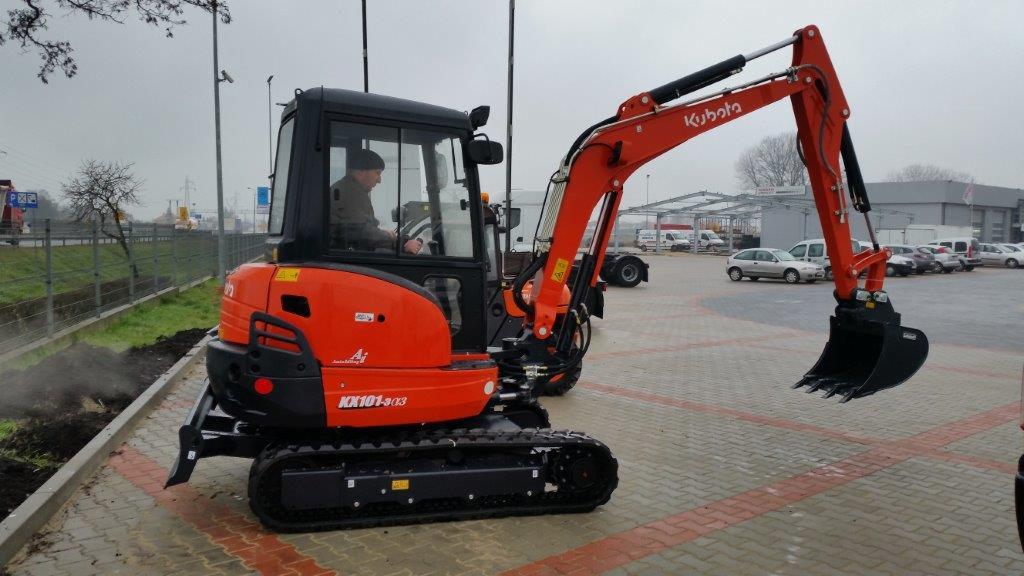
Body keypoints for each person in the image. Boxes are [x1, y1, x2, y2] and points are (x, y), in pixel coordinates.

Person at [329, 148, 422, 254]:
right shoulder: (350, 192)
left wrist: (382, 233)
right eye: (377, 173)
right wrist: (401, 244)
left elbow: (361, 228)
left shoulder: (348, 188)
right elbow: (363, 233)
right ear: (361, 171)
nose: (379, 180)